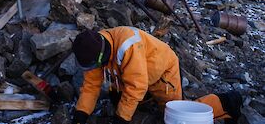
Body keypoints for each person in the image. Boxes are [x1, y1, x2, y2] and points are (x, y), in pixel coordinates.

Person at [72, 26, 242, 124]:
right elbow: (90, 87)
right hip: (130, 76)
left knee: (174, 114)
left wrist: (121, 119)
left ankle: (226, 103)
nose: (93, 68)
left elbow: (136, 87)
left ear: (103, 56)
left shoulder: (128, 45)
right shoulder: (93, 49)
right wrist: (81, 114)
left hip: (162, 73)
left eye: (95, 65)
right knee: (120, 99)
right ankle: (141, 105)